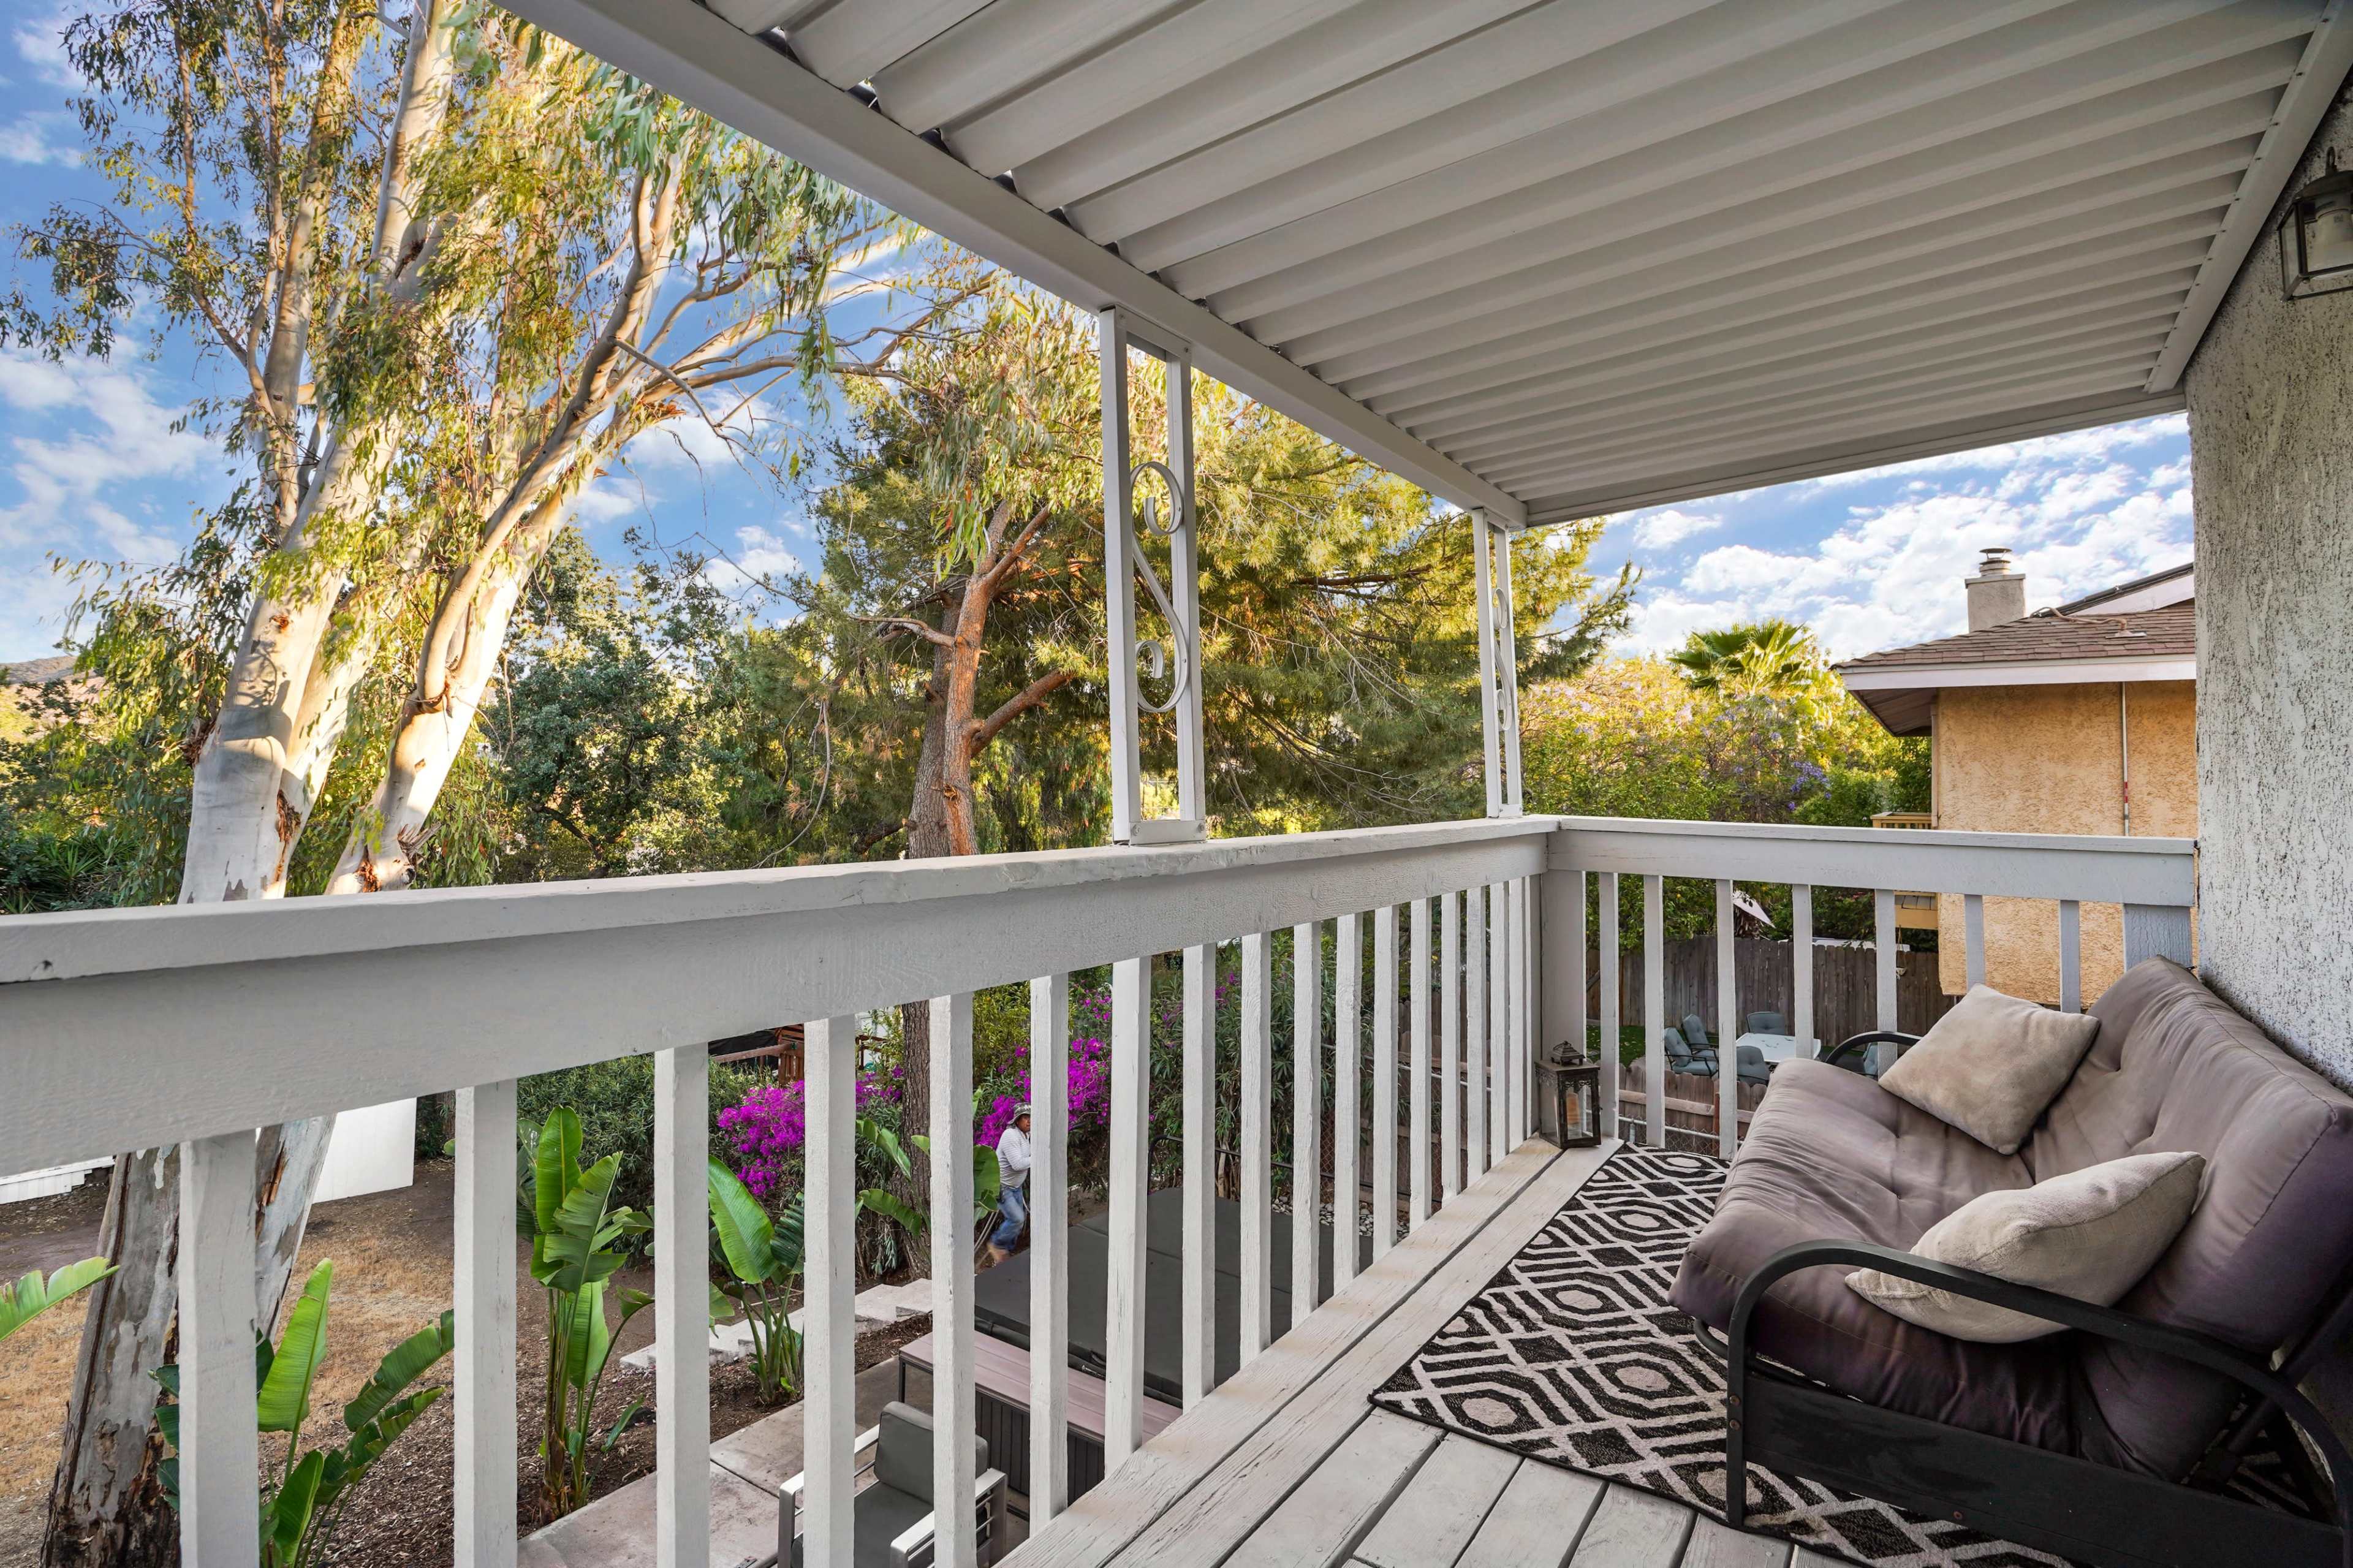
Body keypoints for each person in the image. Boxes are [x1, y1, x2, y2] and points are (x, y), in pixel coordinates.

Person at [988, 1105, 1033, 1267]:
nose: (1029, 1120)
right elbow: (1018, 1164)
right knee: (1017, 1219)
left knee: (1017, 1222)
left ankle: (1002, 1258)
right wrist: (1041, 1156)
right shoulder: (1010, 1136)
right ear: (1017, 1120)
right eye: (1025, 1117)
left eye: (1031, 1116)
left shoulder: (1026, 1135)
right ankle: (996, 1244)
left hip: (1016, 1186)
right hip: (1003, 1186)